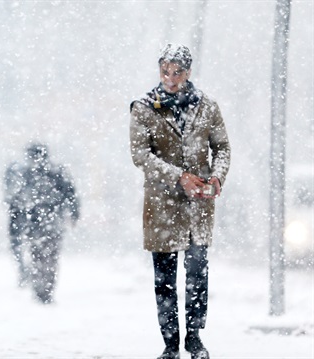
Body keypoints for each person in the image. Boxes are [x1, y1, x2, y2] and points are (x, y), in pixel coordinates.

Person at [129, 44, 231, 359]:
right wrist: (178, 176)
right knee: (165, 279)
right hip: (161, 207)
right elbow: (140, 155)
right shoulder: (145, 108)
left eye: (177, 72)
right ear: (159, 71)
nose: (171, 79)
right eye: (165, 72)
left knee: (198, 273)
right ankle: (170, 343)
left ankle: (195, 338)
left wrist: (216, 178)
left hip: (199, 206)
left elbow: (223, 147)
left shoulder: (207, 107)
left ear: (188, 72)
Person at [8, 143, 79, 303]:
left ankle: (41, 288)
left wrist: (17, 221)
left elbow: (17, 201)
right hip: (52, 223)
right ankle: (46, 288)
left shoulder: (27, 174)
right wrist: (73, 214)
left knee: (38, 256)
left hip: (35, 225)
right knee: (50, 257)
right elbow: (71, 194)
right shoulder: (56, 172)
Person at [3, 160, 29, 286]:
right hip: (25, 216)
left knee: (17, 245)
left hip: (17, 215)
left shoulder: (15, 172)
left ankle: (24, 270)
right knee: (23, 245)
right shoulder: (27, 173)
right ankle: (27, 270)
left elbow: (8, 196)